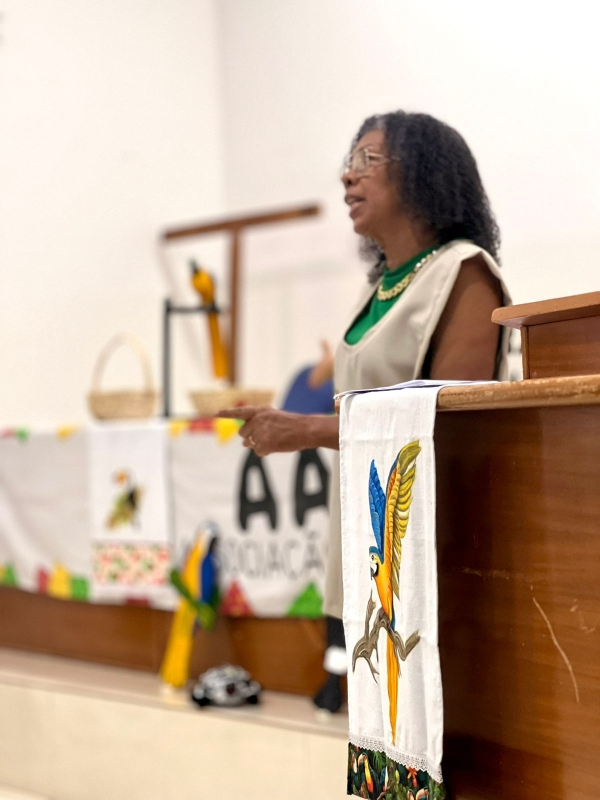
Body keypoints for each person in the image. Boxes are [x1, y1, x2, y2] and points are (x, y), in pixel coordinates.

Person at [218, 111, 510, 619]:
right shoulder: (378, 288)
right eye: (349, 161)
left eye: (366, 159)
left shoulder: (462, 274)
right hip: (365, 527)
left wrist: (307, 430)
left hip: (431, 536)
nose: (347, 176)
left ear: (421, 172)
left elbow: (452, 423)